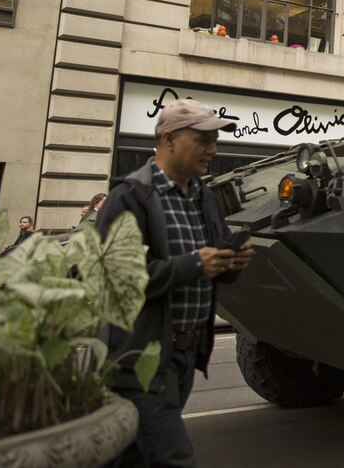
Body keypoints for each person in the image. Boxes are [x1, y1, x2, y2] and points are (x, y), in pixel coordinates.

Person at [98, 98, 252, 467]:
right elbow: (117, 280)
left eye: (215, 140)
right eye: (202, 139)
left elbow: (212, 265)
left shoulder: (204, 197)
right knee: (174, 458)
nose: (212, 150)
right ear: (168, 139)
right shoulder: (129, 198)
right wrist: (193, 265)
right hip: (142, 358)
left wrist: (232, 263)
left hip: (184, 357)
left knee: (129, 456)